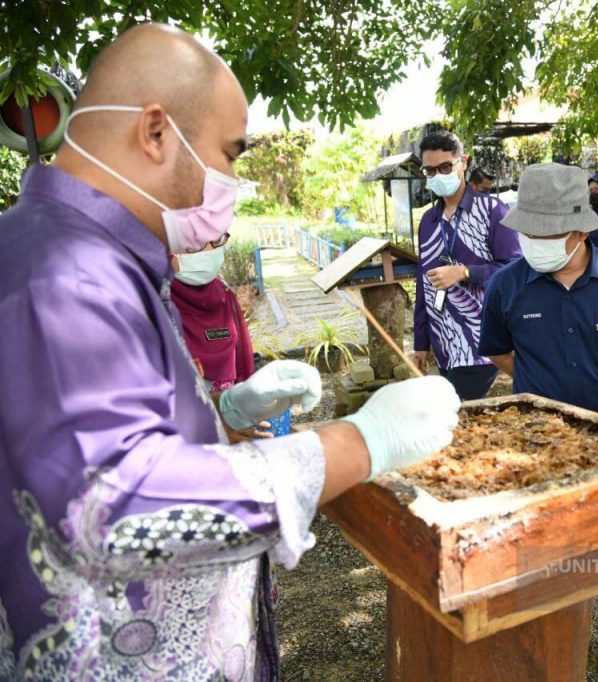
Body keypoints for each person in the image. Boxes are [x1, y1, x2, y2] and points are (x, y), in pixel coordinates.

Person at [0, 24, 460, 679]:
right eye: (229, 153)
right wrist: (358, 442)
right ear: (156, 133)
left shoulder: (100, 258)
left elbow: (101, 436)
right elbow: (113, 506)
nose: (230, 181)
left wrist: (224, 412)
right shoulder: (65, 272)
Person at [479, 162, 598, 682]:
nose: (536, 241)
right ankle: (541, 642)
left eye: (548, 232)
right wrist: (542, 392)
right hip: (536, 437)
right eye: (528, 231)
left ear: (580, 227)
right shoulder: (506, 287)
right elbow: (500, 352)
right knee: (539, 540)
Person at [413, 129, 521, 400]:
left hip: (479, 343)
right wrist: (421, 342)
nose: (438, 175)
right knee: (457, 422)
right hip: (443, 344)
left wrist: (464, 272)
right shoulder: (428, 221)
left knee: (456, 416)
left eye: (445, 167)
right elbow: (423, 285)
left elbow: (514, 270)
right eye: (430, 171)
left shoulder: (493, 211)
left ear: (464, 162)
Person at [170, 234, 274, 442]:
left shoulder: (224, 295)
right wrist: (213, 426)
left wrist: (243, 409)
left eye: (216, 239)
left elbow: (242, 365)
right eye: (195, 240)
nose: (210, 250)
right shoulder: (150, 307)